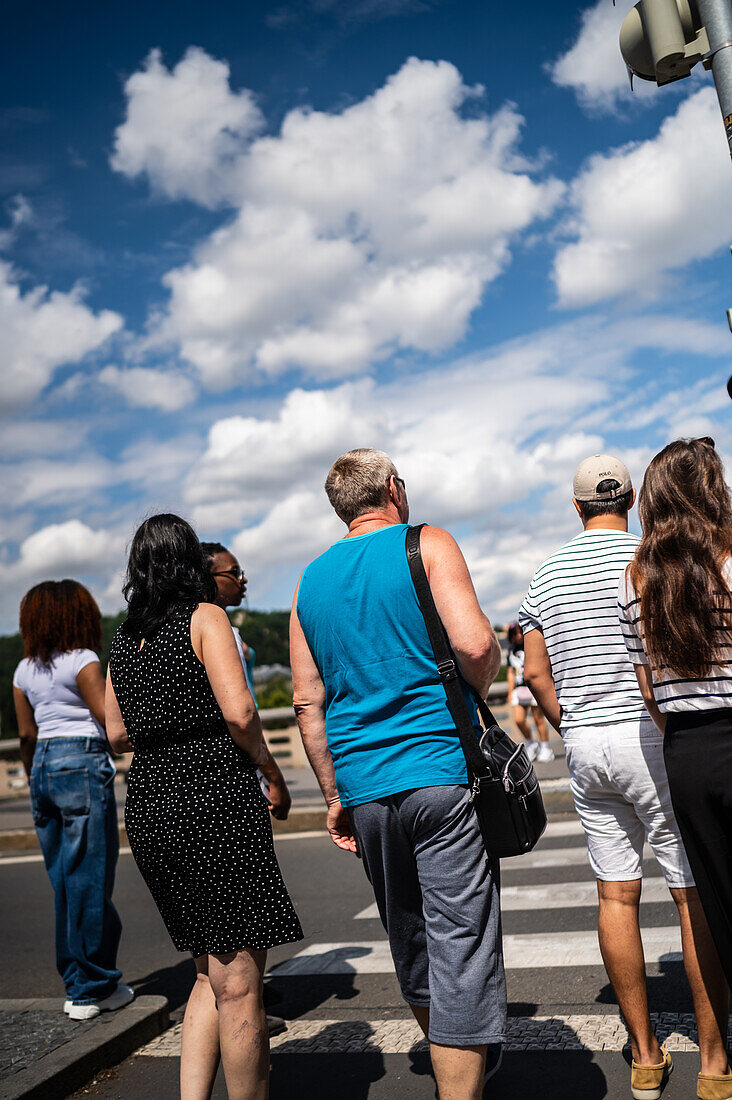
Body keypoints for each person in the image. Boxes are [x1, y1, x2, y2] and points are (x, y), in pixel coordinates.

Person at [290, 449, 506, 1100]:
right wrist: (478, 691)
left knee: (408, 935)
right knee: (461, 940)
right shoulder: (428, 544)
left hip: (364, 786)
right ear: (394, 490)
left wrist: (333, 796)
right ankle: (460, 1086)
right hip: (439, 768)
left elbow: (307, 700)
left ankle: (452, 1058)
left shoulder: (311, 580)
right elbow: (474, 646)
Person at [521, 453, 729, 1100]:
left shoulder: (546, 575)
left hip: (587, 745)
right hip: (654, 735)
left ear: (576, 504)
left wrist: (570, 724)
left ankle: (643, 1054)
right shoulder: (651, 560)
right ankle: (716, 1061)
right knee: (692, 893)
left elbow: (532, 673)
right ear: (633, 498)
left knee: (616, 895)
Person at [106, 514, 302, 1100]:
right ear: (189, 560)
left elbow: (116, 732)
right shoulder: (204, 617)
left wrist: (161, 729)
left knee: (205, 969)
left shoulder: (124, 636)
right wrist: (270, 772)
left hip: (150, 798)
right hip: (210, 789)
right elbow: (241, 713)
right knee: (240, 979)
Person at [619, 438, 732, 1100]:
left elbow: (650, 695)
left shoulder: (635, 581)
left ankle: (718, 1069)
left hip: (686, 750)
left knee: (716, 904)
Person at [12, 580, 132, 1021]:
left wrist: (34, 779)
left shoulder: (24, 670)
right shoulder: (83, 661)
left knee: (64, 880)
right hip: (80, 762)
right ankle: (92, 987)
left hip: (42, 767)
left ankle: (77, 979)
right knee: (91, 878)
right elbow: (107, 718)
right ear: (79, 615)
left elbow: (26, 735)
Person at [201, 539, 292, 1039]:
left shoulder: (149, 634)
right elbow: (240, 714)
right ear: (208, 577)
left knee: (215, 930)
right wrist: (272, 774)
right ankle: (243, 1007)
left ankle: (238, 997)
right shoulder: (214, 627)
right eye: (234, 573)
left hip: (183, 784)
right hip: (230, 776)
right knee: (241, 914)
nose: (243, 580)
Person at [506, 622, 553, 762]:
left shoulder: (531, 646)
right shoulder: (511, 651)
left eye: (520, 632)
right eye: (515, 634)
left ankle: (545, 746)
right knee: (518, 719)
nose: (519, 636)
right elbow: (510, 672)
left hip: (532, 687)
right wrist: (510, 691)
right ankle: (531, 743)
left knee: (538, 718)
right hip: (518, 688)